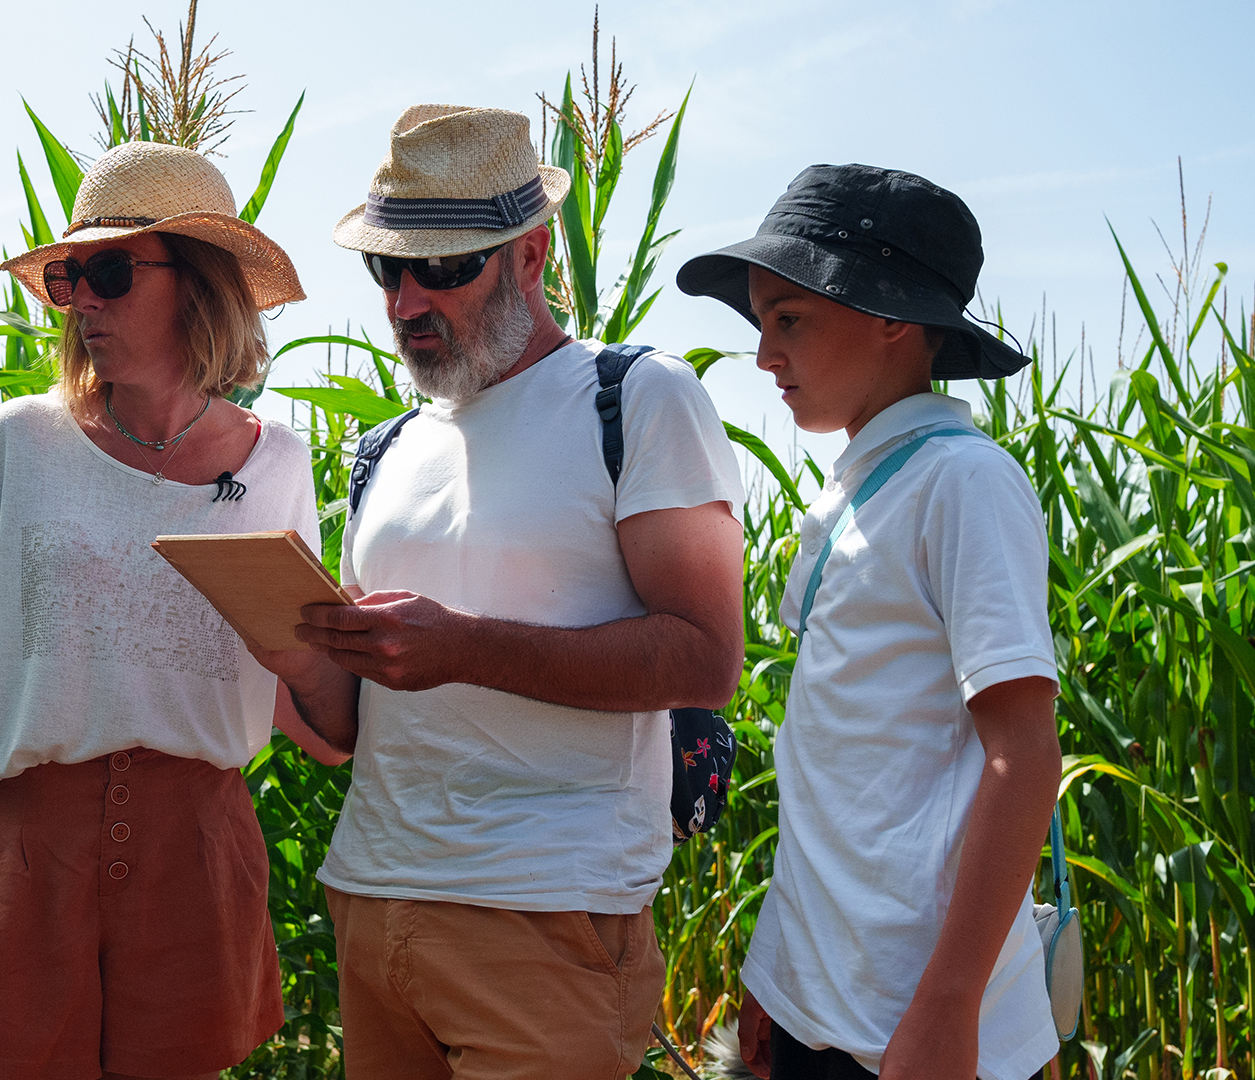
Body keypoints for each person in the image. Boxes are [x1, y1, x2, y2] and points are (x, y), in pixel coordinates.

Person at [262, 104, 748, 1078]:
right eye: (387, 270)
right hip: (371, 900)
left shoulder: (636, 399)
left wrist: (463, 647)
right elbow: (349, 728)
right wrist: (285, 653)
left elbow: (706, 655)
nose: (405, 302)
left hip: (546, 921)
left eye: (441, 269)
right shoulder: (386, 450)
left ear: (529, 256)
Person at [0, 140, 342, 1080]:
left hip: (194, 866)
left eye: (109, 272)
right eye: (71, 276)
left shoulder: (279, 466)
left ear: (198, 284)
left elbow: (288, 673)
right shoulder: (16, 444)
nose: (82, 300)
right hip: (14, 854)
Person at [676, 164, 1062, 1080]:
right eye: (760, 322)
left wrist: (950, 1004)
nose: (764, 356)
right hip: (825, 1004)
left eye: (789, 320)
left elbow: (1025, 754)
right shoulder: (862, 487)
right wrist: (777, 971)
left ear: (892, 317)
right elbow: (838, 772)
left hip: (911, 1025)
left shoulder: (962, 483)